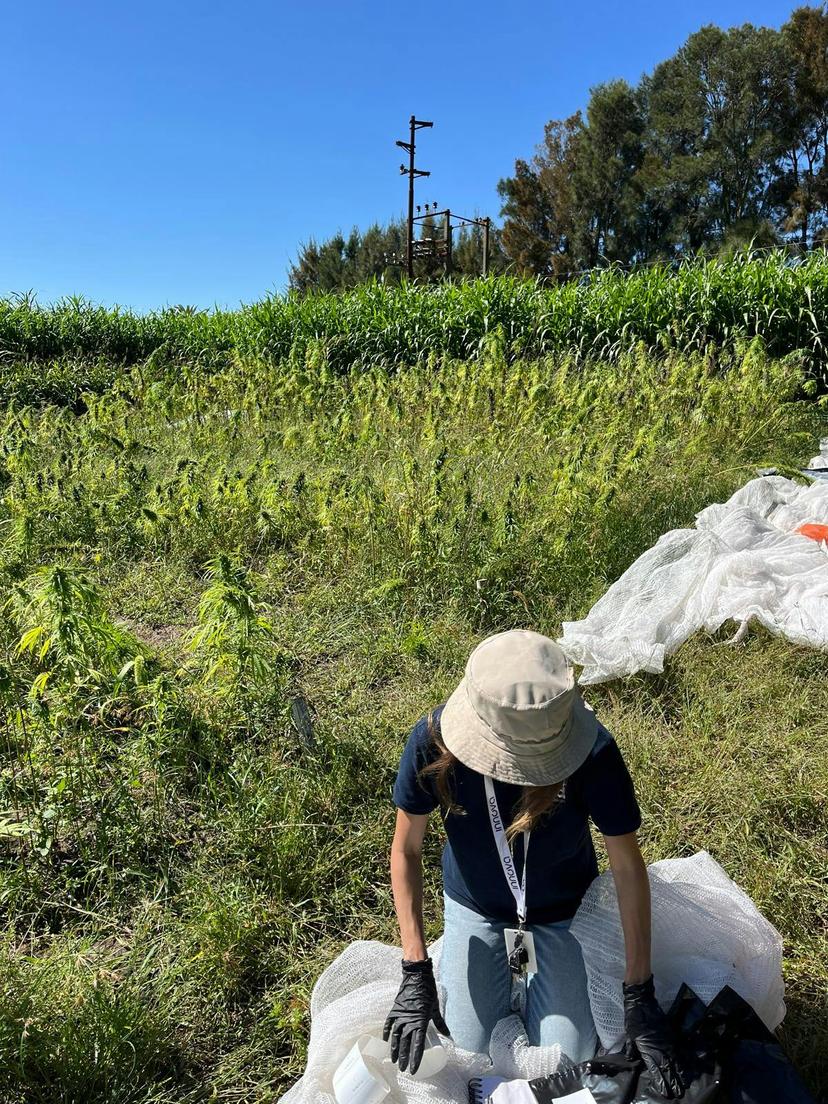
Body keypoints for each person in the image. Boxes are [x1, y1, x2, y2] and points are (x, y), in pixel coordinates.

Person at [383, 629, 684, 1098]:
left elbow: (627, 865)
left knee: (567, 1060)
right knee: (471, 1051)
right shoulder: (432, 743)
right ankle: (471, 973)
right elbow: (405, 851)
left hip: (563, 910)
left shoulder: (595, 753)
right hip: (476, 903)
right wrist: (414, 969)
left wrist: (638, 991)